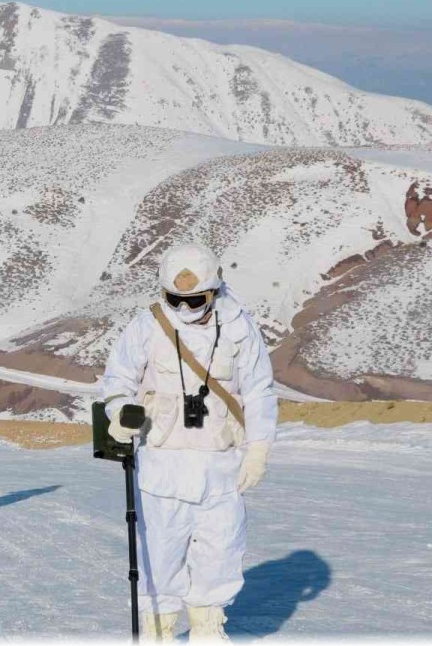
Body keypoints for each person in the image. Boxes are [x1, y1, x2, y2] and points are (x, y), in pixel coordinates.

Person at [101, 242, 277, 642]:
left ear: (214, 290)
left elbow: (259, 390)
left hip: (221, 465)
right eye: (174, 299)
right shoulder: (146, 326)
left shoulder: (238, 329)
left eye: (194, 300)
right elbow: (117, 380)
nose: (183, 309)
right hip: (162, 463)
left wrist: (259, 449)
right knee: (159, 558)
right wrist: (121, 412)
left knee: (219, 555)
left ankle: (207, 631)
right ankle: (158, 634)